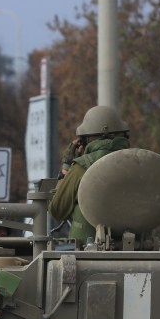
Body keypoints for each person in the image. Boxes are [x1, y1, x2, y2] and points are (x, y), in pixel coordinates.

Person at [49, 105, 130, 246]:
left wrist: (66, 169)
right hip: (137, 251)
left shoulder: (81, 168)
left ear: (87, 140)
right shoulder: (137, 163)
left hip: (87, 253)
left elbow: (57, 210)